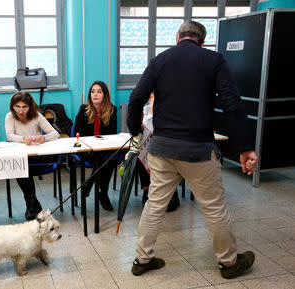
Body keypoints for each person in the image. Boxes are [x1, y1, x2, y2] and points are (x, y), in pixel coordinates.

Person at [127, 21, 258, 279]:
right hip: (198, 150)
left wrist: (135, 130)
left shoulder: (159, 60)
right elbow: (232, 104)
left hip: (162, 148)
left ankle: (142, 259)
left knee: (155, 205)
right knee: (214, 208)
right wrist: (244, 147)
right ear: (203, 41)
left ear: (177, 38)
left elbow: (136, 98)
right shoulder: (214, 60)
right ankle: (229, 263)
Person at [5, 91, 59, 220]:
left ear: (30, 107)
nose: (20, 111)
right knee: (20, 168)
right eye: (17, 107)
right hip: (20, 157)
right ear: (12, 106)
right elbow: (9, 136)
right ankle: (34, 204)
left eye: (24, 107)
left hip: (36, 159)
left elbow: (55, 133)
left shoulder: (37, 116)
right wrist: (23, 139)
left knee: (22, 170)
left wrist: (43, 138)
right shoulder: (9, 117)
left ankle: (31, 205)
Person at [74, 81, 118, 211]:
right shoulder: (84, 109)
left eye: (99, 91)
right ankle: (102, 194)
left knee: (107, 159)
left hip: (103, 149)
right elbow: (78, 131)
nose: (95, 94)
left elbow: (112, 134)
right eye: (93, 91)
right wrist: (89, 146)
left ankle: (92, 186)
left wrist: (100, 145)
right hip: (86, 149)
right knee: (105, 160)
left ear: (105, 95)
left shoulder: (112, 110)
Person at [137, 93, 180, 211]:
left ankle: (172, 193)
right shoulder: (144, 111)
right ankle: (146, 190)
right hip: (149, 146)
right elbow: (137, 129)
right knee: (141, 154)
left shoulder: (170, 111)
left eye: (154, 96)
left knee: (166, 157)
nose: (151, 98)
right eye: (150, 96)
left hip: (169, 147)